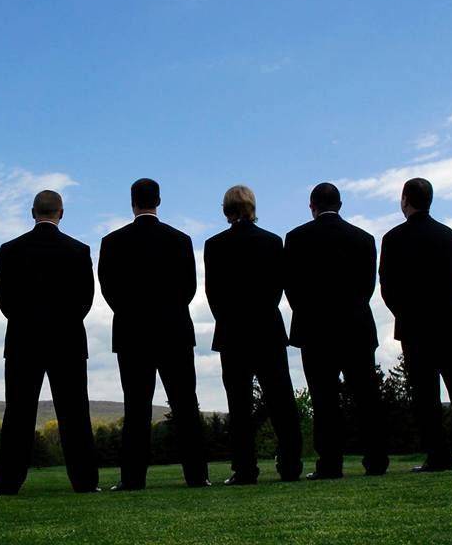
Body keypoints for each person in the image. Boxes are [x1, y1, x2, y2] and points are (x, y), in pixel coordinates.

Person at [98, 178, 209, 491]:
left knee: (136, 408)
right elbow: (189, 288)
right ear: (158, 200)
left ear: (132, 202)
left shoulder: (113, 242)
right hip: (174, 330)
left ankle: (132, 479)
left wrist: (133, 312)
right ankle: (197, 475)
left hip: (133, 333)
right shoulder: (180, 239)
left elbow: (109, 290)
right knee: (186, 404)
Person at [380, 178, 452, 471]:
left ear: (405, 200)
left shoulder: (393, 239)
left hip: (415, 325)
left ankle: (438, 456)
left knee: (425, 395)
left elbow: (387, 288)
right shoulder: (449, 236)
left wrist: (404, 312)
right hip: (450, 320)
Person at [0, 191, 99, 495]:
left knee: (18, 413)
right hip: (67, 340)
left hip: (23, 340)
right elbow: (85, 300)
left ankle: (8, 482)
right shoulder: (78, 250)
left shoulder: (11, 250)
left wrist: (27, 321)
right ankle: (85, 481)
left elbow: (5, 300)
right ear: (61, 213)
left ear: (32, 212)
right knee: (75, 413)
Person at [284, 183, 389, 479]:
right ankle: (376, 459)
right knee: (367, 397)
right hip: (356, 327)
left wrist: (308, 312)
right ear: (340, 204)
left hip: (315, 330)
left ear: (311, 206)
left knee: (324, 399)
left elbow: (291, 287)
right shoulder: (364, 239)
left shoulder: (296, 238)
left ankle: (330, 463)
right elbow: (368, 286)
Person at [204, 186, 303, 485]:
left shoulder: (215, 244)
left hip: (233, 332)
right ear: (252, 207)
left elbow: (213, 293)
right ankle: (290, 465)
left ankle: (245, 469)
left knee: (239, 405)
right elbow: (279, 286)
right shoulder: (273, 242)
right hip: (268, 329)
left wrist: (228, 318)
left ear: (226, 210)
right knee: (282, 401)